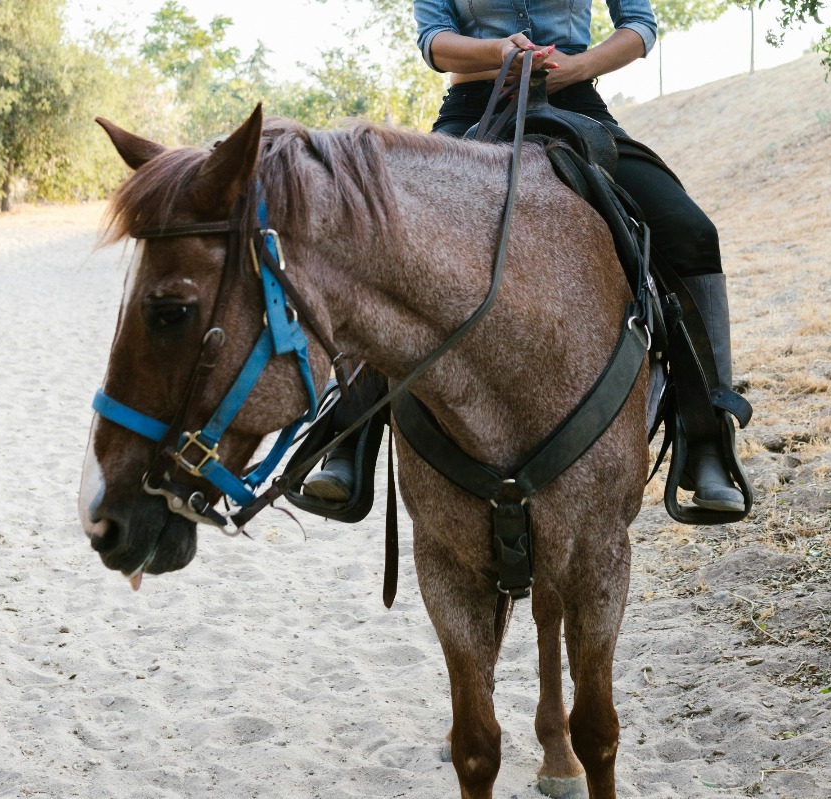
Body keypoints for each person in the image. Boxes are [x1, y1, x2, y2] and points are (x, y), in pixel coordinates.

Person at [301, 0, 747, 513]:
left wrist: (581, 65)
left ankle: (708, 440)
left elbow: (640, 26)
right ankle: (347, 438)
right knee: (383, 237)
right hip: (474, 105)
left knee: (692, 233)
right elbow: (434, 40)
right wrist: (496, 50)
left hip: (576, 104)